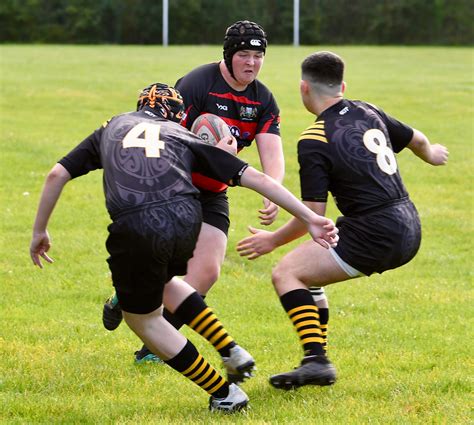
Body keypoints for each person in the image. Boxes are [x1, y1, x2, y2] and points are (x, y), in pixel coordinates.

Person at [29, 82, 339, 411]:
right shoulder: (182, 135)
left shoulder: (112, 127)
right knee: (165, 284)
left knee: (142, 320)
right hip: (187, 218)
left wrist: (39, 231)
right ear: (178, 117)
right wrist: (309, 217)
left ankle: (224, 393)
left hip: (137, 225)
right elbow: (256, 178)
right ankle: (230, 349)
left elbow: (56, 175)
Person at [103, 20, 332, 363]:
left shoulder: (263, 100)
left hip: (213, 192)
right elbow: (162, 138)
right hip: (173, 184)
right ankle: (127, 295)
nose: (251, 63)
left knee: (206, 271)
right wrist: (208, 153)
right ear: (228, 54)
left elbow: (272, 152)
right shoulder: (197, 84)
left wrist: (272, 191)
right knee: (162, 261)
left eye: (258, 56)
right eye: (244, 54)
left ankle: (154, 346)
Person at [236, 51, 449, 390]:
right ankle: (315, 360)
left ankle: (317, 362)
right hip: (409, 223)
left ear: (304, 88)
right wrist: (433, 154)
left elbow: (313, 216)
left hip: (375, 232)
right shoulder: (368, 109)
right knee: (310, 268)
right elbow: (418, 140)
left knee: (287, 273)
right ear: (343, 86)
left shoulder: (314, 138)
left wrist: (272, 240)